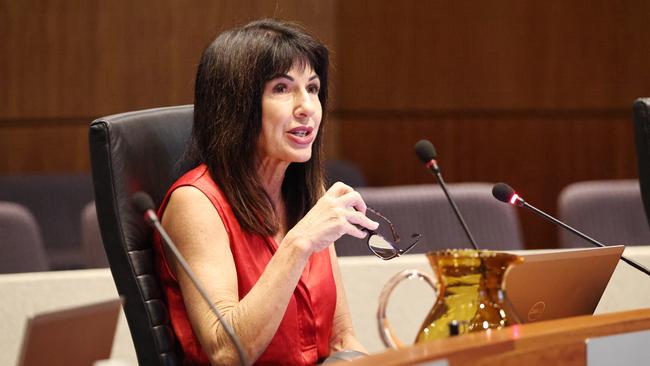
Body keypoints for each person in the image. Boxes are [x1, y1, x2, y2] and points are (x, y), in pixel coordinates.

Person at [154, 19, 379, 365]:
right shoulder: (196, 203)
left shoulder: (308, 193)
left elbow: (342, 339)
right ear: (236, 106)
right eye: (282, 89)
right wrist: (297, 243)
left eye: (314, 88)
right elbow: (227, 352)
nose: (307, 107)